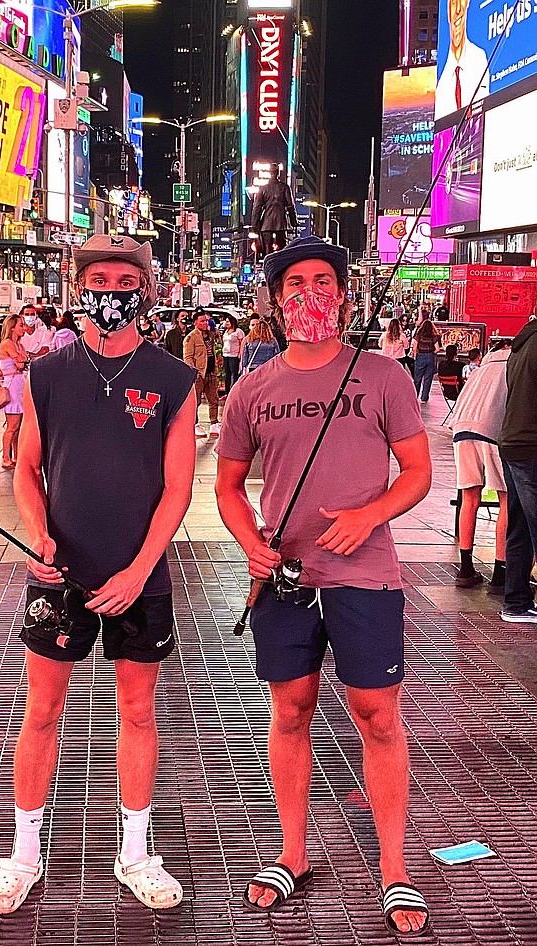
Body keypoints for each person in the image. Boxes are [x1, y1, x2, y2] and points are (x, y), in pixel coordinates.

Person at [215, 235, 432, 935]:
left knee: (378, 716)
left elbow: (419, 472)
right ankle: (293, 852)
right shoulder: (253, 387)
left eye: (324, 280)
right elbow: (227, 486)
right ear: (276, 303)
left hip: (366, 576)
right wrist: (250, 544)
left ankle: (395, 869)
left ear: (343, 294)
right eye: (296, 283)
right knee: (290, 713)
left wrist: (370, 514)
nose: (312, 291)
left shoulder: (382, 374)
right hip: (285, 581)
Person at [0, 234, 197, 916]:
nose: (110, 289)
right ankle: (23, 855)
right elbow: (27, 468)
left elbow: (179, 488)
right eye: (97, 277)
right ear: (80, 287)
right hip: (59, 574)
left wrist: (140, 568)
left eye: (124, 278)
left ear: (146, 290)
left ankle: (136, 853)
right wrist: (37, 533)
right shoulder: (47, 373)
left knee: (138, 711)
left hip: (142, 577)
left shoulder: (172, 377)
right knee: (41, 710)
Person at [450, 341, 510, 593]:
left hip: (462, 430)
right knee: (506, 500)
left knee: (469, 498)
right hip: (494, 431)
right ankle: (500, 572)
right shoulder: (514, 364)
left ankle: (465, 569)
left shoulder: (480, 369)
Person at [498, 319, 537, 623]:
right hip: (532, 443)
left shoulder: (520, 345)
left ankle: (516, 602)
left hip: (513, 442)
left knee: (520, 526)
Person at [435, 0, 489, 121]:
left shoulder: (480, 58)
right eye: (454, 3)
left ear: (467, 4)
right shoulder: (440, 83)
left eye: (461, 2)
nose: (458, 10)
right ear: (448, 10)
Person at [0, 314, 29, 470]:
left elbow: (22, 363)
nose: (24, 328)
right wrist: (22, 359)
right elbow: (20, 361)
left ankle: (16, 455)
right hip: (12, 385)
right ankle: (6, 457)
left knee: (19, 425)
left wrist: (22, 359)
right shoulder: (8, 344)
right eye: (21, 325)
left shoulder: (19, 345)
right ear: (12, 328)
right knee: (12, 425)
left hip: (20, 384)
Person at [183, 310, 220, 439]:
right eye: (202, 321)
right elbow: (188, 357)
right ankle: (195, 424)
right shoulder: (191, 338)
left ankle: (214, 423)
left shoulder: (211, 335)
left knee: (213, 399)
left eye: (206, 320)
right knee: (196, 401)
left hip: (211, 372)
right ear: (195, 323)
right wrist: (194, 373)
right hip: (199, 374)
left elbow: (214, 351)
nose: (205, 323)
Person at [250, 163, 297, 258]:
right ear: (278, 173)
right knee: (282, 248)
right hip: (280, 222)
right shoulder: (284, 187)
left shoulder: (263, 188)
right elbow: (290, 206)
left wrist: (254, 224)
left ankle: (268, 266)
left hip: (266, 223)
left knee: (267, 249)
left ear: (269, 173)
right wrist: (293, 221)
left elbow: (257, 207)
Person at [410, 318, 442, 402]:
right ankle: (424, 397)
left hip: (420, 356)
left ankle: (415, 396)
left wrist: (415, 356)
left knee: (417, 378)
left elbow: (414, 347)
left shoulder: (419, 335)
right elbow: (437, 349)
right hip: (430, 356)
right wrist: (432, 352)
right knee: (428, 379)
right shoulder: (433, 336)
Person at [222, 315, 244, 393]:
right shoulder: (226, 332)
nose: (226, 323)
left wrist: (240, 353)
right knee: (227, 374)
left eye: (228, 321)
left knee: (234, 373)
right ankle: (227, 391)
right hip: (226, 355)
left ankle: (234, 391)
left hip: (234, 355)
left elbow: (242, 343)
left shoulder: (238, 331)